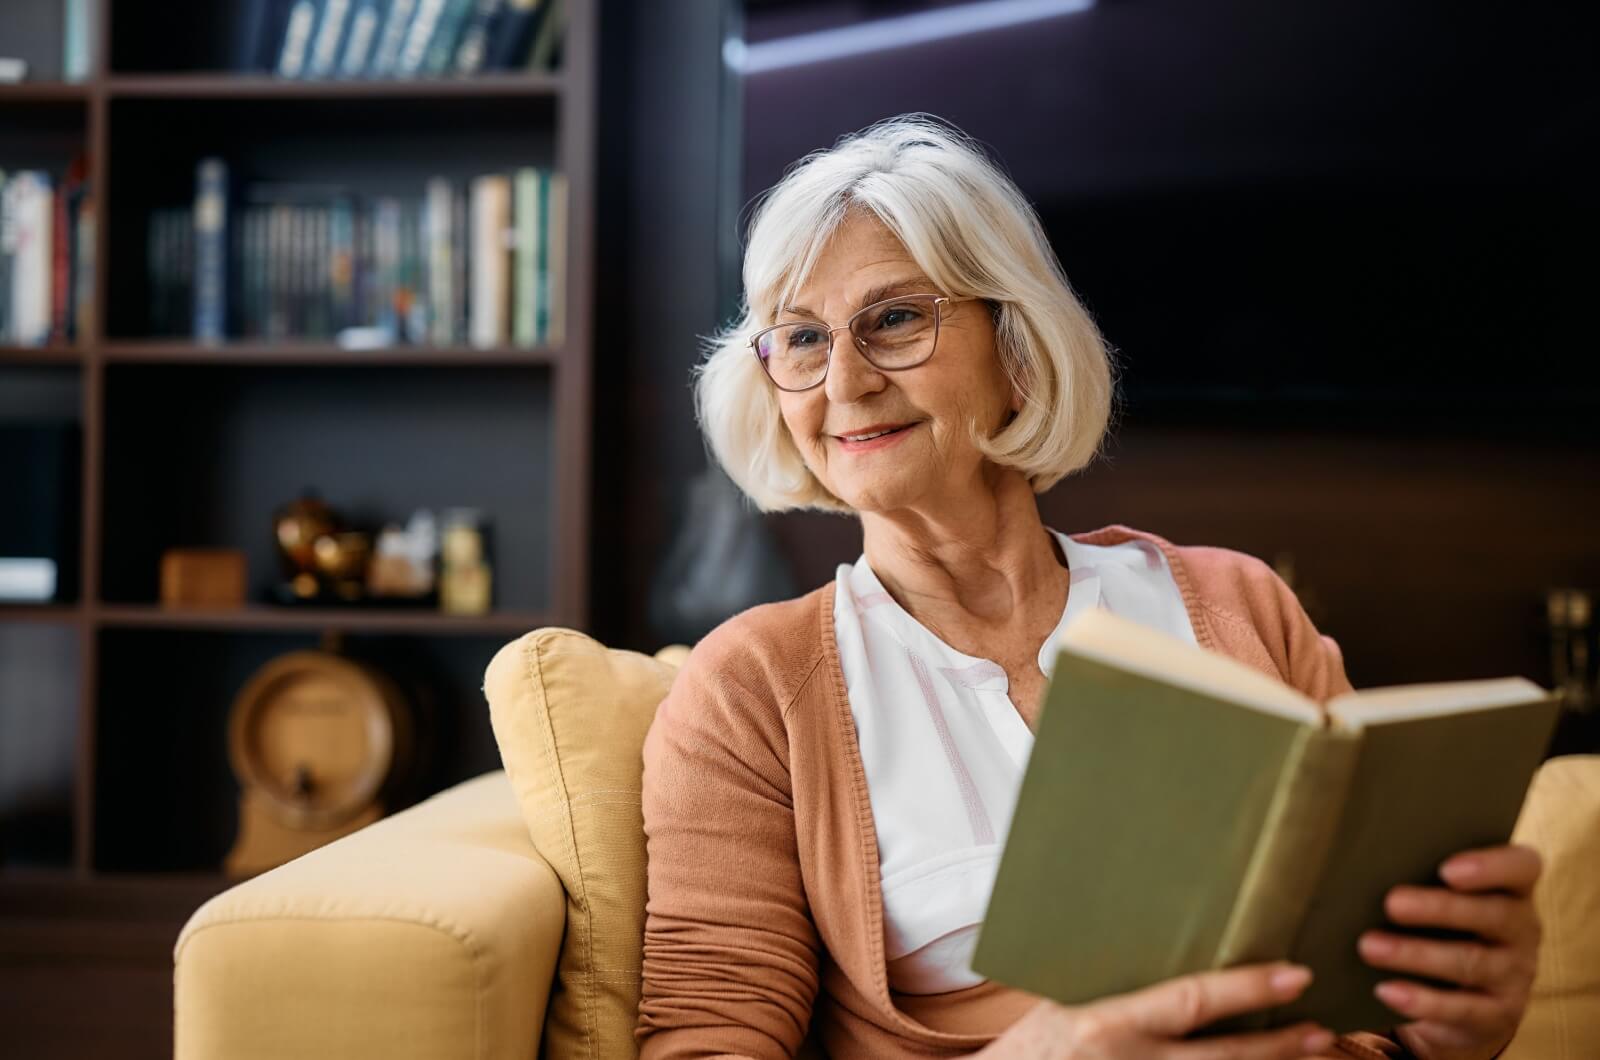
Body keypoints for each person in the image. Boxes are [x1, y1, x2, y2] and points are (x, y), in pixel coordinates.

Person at [634, 115, 1542, 1060]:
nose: (846, 381)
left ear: (1016, 349)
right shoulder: (752, 688)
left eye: (895, 319)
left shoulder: (1238, 605)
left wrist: (1455, 1022)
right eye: (803, 339)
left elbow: (1380, 1014)